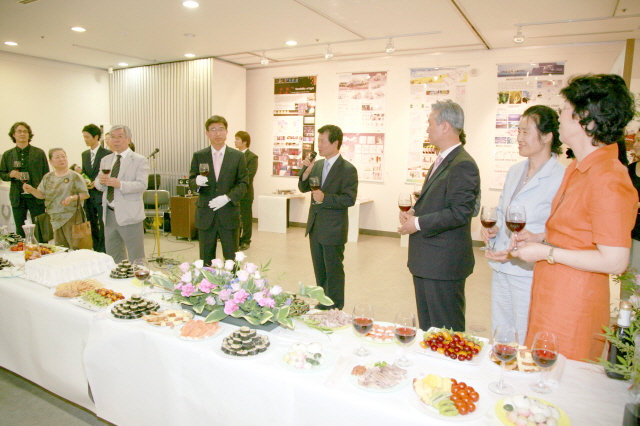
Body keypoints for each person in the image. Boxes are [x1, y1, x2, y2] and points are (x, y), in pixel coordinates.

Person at [511, 74, 637, 361]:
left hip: (574, 302)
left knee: (559, 372)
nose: (559, 117)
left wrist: (545, 252)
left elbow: (615, 260)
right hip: (552, 291)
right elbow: (576, 233)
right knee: (539, 367)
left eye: (564, 110)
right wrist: (540, 238)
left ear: (586, 120)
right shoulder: (578, 168)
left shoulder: (608, 177)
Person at [481, 105, 565, 343]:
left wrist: (537, 237)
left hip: (529, 270)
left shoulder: (561, 177)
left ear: (547, 136)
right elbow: (502, 210)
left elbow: (561, 228)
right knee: (500, 330)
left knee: (524, 331)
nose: (518, 138)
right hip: (502, 263)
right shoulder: (515, 170)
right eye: (518, 131)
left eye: (526, 132)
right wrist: (494, 227)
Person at [398, 100, 480, 332]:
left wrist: (418, 223)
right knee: (429, 329)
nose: (427, 129)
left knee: (446, 331)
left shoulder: (462, 164)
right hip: (429, 261)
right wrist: (415, 212)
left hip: (444, 264)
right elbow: (441, 202)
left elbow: (460, 212)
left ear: (445, 126)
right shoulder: (443, 160)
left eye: (430, 123)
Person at [298, 124, 358, 310]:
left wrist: (325, 198)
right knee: (320, 269)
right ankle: (323, 301)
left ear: (335, 143)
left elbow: (349, 199)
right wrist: (305, 172)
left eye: (323, 141)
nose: (319, 145)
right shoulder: (318, 165)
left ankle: (336, 306)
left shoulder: (347, 169)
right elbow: (303, 187)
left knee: (334, 270)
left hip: (333, 228)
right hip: (315, 226)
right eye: (318, 141)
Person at [189, 115, 248, 265]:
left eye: (221, 129)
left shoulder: (237, 156)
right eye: (213, 130)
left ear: (226, 132)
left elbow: (243, 184)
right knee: (206, 259)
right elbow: (191, 181)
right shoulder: (199, 156)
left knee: (231, 260)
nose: (218, 133)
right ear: (207, 133)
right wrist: (196, 182)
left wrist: (227, 197)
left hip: (229, 213)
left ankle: (233, 281)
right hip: (206, 214)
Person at [94, 125, 149, 263]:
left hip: (130, 214)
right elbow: (98, 184)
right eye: (112, 137)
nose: (116, 140)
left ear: (129, 139)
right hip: (109, 214)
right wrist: (100, 182)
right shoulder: (106, 160)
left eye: (120, 137)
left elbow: (142, 185)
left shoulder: (139, 160)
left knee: (136, 258)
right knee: (113, 256)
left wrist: (120, 184)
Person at [22, 149, 89, 248]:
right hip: (54, 218)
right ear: (51, 161)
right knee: (60, 248)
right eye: (57, 157)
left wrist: (71, 198)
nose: (61, 159)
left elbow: (85, 194)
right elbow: (42, 195)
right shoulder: (48, 177)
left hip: (72, 216)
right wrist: (31, 190)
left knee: (77, 248)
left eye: (63, 156)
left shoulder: (75, 176)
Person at [0, 122, 50, 238]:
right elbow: (2, 175)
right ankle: (22, 248)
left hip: (36, 196)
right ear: (14, 134)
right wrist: (10, 175)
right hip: (17, 197)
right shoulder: (8, 154)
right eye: (19, 131)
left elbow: (46, 175)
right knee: (20, 229)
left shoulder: (39, 153)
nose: (22, 134)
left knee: (40, 228)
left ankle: (41, 247)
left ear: (29, 134)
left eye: (25, 131)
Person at [81, 124, 112, 253]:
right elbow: (85, 172)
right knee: (91, 223)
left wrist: (97, 182)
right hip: (89, 195)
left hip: (101, 194)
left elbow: (109, 173)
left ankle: (103, 249)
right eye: (84, 137)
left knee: (103, 223)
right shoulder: (84, 155)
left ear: (96, 137)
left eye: (87, 137)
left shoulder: (107, 154)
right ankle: (95, 248)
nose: (85, 140)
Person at [234, 131, 258, 251]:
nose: (235, 141)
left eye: (237, 139)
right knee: (235, 217)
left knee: (246, 218)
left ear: (245, 142)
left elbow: (249, 176)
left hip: (246, 193)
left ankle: (246, 240)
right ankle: (236, 239)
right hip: (234, 193)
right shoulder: (233, 155)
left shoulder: (252, 157)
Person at [629, 134, 640, 273]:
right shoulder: (630, 169)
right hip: (630, 232)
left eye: (639, 141)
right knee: (629, 278)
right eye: (635, 140)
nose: (635, 145)